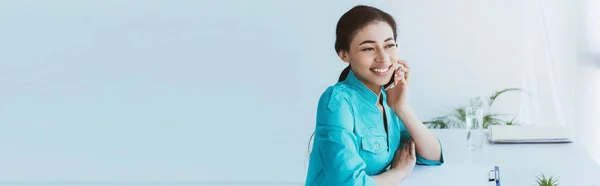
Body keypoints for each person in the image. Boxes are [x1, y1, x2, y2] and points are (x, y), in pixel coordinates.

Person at [305, 5, 444, 186]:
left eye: (389, 45)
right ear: (343, 54)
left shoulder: (387, 99)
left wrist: (402, 109)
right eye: (369, 49)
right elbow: (348, 183)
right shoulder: (337, 101)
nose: (384, 58)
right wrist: (399, 172)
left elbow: (433, 155)